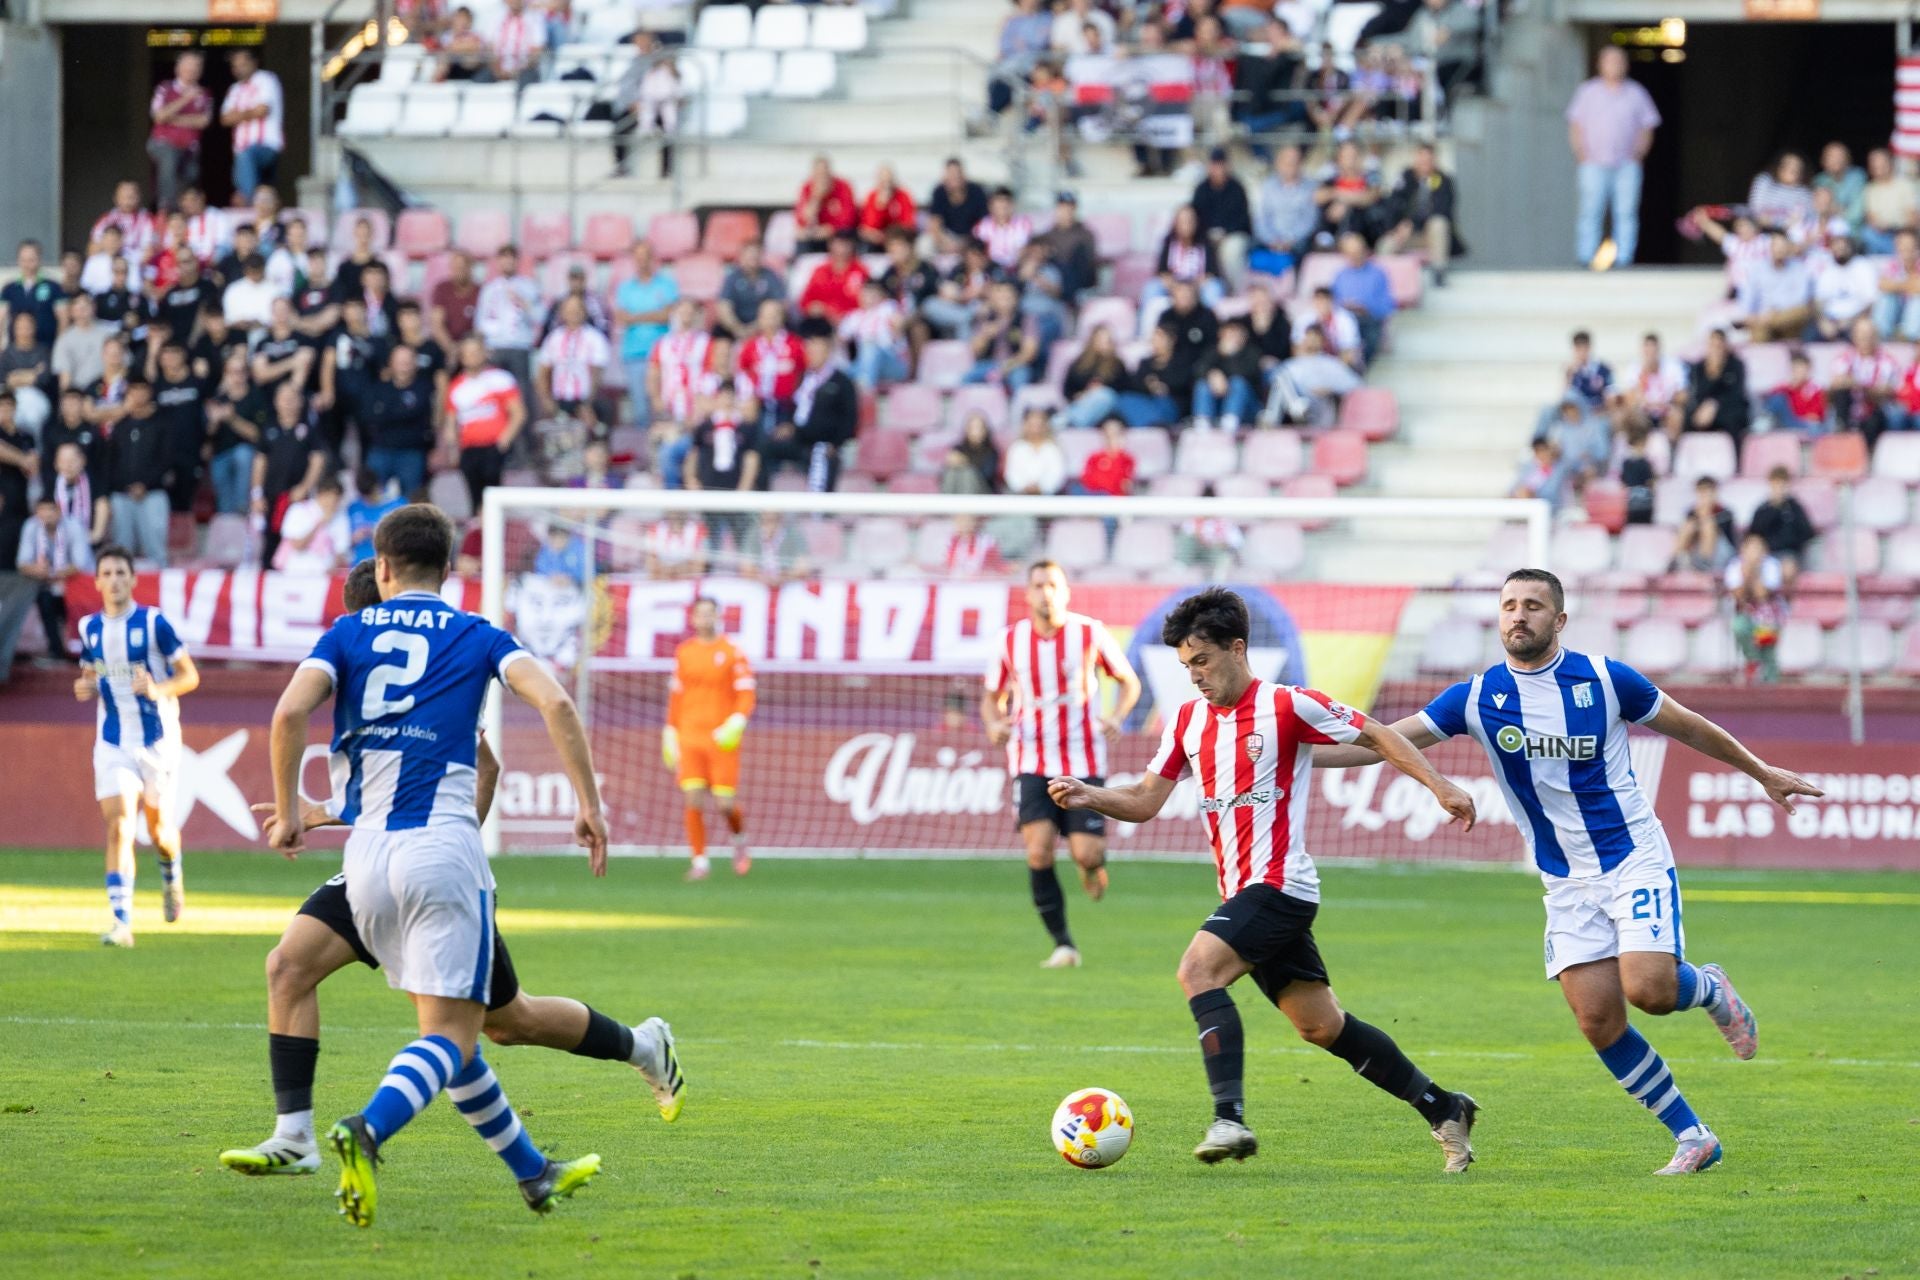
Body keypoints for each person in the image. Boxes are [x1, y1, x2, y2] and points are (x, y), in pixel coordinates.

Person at [1313, 568, 1817, 1173]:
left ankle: (1707, 987)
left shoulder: (1605, 680)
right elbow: (1382, 740)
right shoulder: (1477, 696)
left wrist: (1762, 772)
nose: (1518, 616)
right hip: (1564, 878)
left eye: (1532, 605)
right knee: (1598, 1019)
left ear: (1559, 620)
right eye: (1508, 606)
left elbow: (1689, 726)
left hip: (1631, 856)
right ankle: (1694, 1137)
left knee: (1650, 992)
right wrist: (1292, 749)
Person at [218, 556, 684, 1177]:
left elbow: (482, 767)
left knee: (503, 1023)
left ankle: (640, 1049)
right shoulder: (365, 653)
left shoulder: (426, 658)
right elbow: (383, 773)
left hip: (439, 863)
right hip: (374, 863)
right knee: (289, 965)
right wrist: (328, 810)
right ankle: (293, 1136)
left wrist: (447, 834)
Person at [1049, 588, 1480, 1168]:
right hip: (1243, 894)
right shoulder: (1186, 721)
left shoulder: (1287, 704)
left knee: (1197, 971)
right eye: (1184, 666)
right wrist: (1087, 795)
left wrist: (1440, 785)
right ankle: (1444, 1107)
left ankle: (1229, 1120)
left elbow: (1378, 734)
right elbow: (1145, 800)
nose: (1194, 676)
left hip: (1280, 886)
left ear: (1238, 648)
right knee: (1322, 1027)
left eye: (1202, 661)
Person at [263, 505, 608, 1225]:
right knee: (453, 1035)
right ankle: (365, 1128)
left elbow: (290, 713)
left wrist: (292, 812)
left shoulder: (349, 631)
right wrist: (589, 806)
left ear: (380, 568)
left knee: (450, 1022)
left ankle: (532, 1173)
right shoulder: (477, 633)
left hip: (365, 862)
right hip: (443, 851)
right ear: (449, 574)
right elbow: (558, 702)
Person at [983, 561, 1140, 968]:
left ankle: (1091, 868)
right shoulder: (1010, 640)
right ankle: (1063, 945)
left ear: (1065, 591)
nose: (1046, 592)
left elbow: (1129, 681)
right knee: (1038, 851)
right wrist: (994, 723)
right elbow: (991, 697)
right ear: (1027, 593)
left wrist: (1117, 717)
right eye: (1038, 585)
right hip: (1030, 757)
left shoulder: (1090, 633)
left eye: (1053, 585)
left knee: (1086, 853)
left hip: (1082, 757)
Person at [74, 545, 201, 946]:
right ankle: (121, 922)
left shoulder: (153, 623)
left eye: (120, 573)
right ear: (97, 582)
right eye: (106, 573)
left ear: (132, 579)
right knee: (120, 824)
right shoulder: (89, 629)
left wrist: (158, 688)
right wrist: (84, 686)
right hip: (113, 741)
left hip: (158, 740)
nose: (113, 580)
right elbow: (89, 673)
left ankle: (171, 872)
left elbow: (190, 676)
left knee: (160, 829)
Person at [664, 596, 756, 881]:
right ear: (693, 619)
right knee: (693, 798)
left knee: (725, 804)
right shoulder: (685, 652)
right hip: (690, 736)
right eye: (699, 614)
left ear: (718, 617)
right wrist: (670, 730)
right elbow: (677, 696)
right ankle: (700, 861)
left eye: (709, 614)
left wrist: (736, 721)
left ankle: (739, 840)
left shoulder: (732, 652)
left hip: (721, 739)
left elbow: (746, 693)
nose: (704, 619)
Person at [1566, 46, 1660, 269]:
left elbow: (1648, 125)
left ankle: (1624, 258)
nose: (1614, 65)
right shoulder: (1587, 91)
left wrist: (1639, 153)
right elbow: (1575, 123)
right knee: (1590, 210)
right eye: (1610, 61)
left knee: (1626, 212)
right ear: (1600, 64)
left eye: (1619, 61)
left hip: (1627, 164)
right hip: (1593, 162)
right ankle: (1586, 257)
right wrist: (1580, 151)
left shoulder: (1637, 92)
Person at [767, 320, 856, 492]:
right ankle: (760, 503)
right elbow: (793, 409)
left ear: (827, 349)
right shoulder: (803, 379)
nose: (811, 352)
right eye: (809, 347)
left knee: (821, 458)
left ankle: (819, 512)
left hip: (822, 443)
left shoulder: (841, 381)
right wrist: (789, 426)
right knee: (763, 445)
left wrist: (836, 444)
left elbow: (849, 418)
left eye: (816, 347)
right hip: (798, 440)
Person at [445, 334, 528, 509]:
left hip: (494, 447)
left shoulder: (500, 379)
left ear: (484, 353)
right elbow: (451, 421)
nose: (472, 356)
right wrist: (453, 448)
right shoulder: (456, 386)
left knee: (493, 493)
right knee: (474, 496)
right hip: (469, 448)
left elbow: (518, 413)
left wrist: (503, 441)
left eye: (476, 352)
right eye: (467, 353)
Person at [613, 241, 678, 420]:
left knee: (663, 405)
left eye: (646, 257)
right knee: (641, 408)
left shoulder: (667, 285)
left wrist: (636, 317)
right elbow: (621, 318)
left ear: (653, 259)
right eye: (638, 257)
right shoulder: (625, 288)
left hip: (663, 356)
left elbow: (667, 315)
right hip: (635, 355)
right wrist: (653, 315)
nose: (642, 261)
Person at [1378, 143, 1458, 284]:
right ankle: (1388, 282)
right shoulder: (1406, 177)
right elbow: (1393, 203)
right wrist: (1395, 228)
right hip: (1406, 234)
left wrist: (1412, 224)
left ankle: (1439, 271)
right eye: (1422, 159)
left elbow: (1441, 209)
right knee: (1386, 245)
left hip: (1429, 235)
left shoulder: (1443, 180)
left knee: (1439, 223)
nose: (1424, 163)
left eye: (1428, 159)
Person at [148, 51, 214, 212]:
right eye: (189, 66)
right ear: (178, 68)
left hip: (189, 148)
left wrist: (174, 119)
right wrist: (185, 99)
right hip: (162, 143)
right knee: (169, 161)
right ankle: (167, 208)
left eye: (197, 67)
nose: (192, 70)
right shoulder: (165, 88)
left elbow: (203, 121)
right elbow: (159, 116)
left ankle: (185, 212)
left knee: (191, 178)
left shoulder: (204, 94)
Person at [222, 50, 286, 202]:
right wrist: (250, 112)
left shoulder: (266, 80)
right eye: (235, 66)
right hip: (240, 148)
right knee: (244, 174)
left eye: (243, 64)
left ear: (254, 63)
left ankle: (251, 206)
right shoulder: (235, 89)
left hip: (266, 144)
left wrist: (238, 114)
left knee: (246, 157)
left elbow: (263, 110)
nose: (239, 69)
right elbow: (225, 119)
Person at [1724, 534, 1787, 686]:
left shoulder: (1771, 565)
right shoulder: (1734, 566)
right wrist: (1747, 573)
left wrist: (1754, 571)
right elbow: (1738, 595)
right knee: (1739, 627)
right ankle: (1753, 660)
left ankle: (1771, 681)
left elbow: (1762, 594)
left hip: (1769, 615)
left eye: (1758, 548)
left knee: (1768, 647)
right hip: (1745, 612)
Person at [1330, 232, 1396, 364]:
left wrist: (1366, 308)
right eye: (1350, 253)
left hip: (1369, 320)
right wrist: (1345, 305)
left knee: (1365, 338)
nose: (1354, 256)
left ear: (1365, 251)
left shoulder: (1378, 273)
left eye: (1357, 252)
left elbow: (1387, 305)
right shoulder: (1340, 275)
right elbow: (1333, 302)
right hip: (1345, 320)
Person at [273, 474, 351, 574]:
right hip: (295, 572)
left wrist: (331, 572)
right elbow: (298, 545)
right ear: (320, 495)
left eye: (336, 500)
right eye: (329, 498)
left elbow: (341, 551)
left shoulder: (341, 517)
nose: (332, 503)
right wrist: (320, 524)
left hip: (324, 575)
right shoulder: (298, 510)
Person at [793, 155, 858, 256]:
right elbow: (802, 220)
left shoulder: (843, 187)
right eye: (818, 174)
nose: (822, 177)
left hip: (838, 232)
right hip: (817, 233)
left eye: (824, 173)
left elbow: (849, 218)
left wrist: (831, 229)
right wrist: (816, 198)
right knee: (802, 240)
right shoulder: (807, 188)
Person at [924, 158, 990, 257]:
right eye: (951, 173)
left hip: (970, 237)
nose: (954, 177)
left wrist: (965, 242)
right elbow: (935, 223)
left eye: (957, 173)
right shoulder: (939, 192)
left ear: (963, 175)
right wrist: (945, 242)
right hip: (947, 237)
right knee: (925, 244)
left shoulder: (976, 192)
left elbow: (984, 223)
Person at [1670, 476, 1736, 573]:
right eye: (1701, 493)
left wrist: (1705, 514)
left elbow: (1718, 531)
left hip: (1721, 553)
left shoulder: (1725, 512)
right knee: (1689, 526)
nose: (1704, 497)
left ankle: (1705, 562)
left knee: (1707, 525)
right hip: (1696, 551)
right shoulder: (1691, 513)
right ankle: (1675, 560)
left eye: (1707, 492)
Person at [1761, 350, 1827, 435]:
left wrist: (1801, 417)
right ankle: (1765, 422)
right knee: (1778, 398)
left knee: (1813, 427)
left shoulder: (1814, 389)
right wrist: (1791, 387)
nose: (1799, 372)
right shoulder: (1786, 387)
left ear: (1808, 369)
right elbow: (1770, 399)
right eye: (1796, 368)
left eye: (1802, 368)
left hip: (1804, 423)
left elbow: (1815, 416)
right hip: (1786, 420)